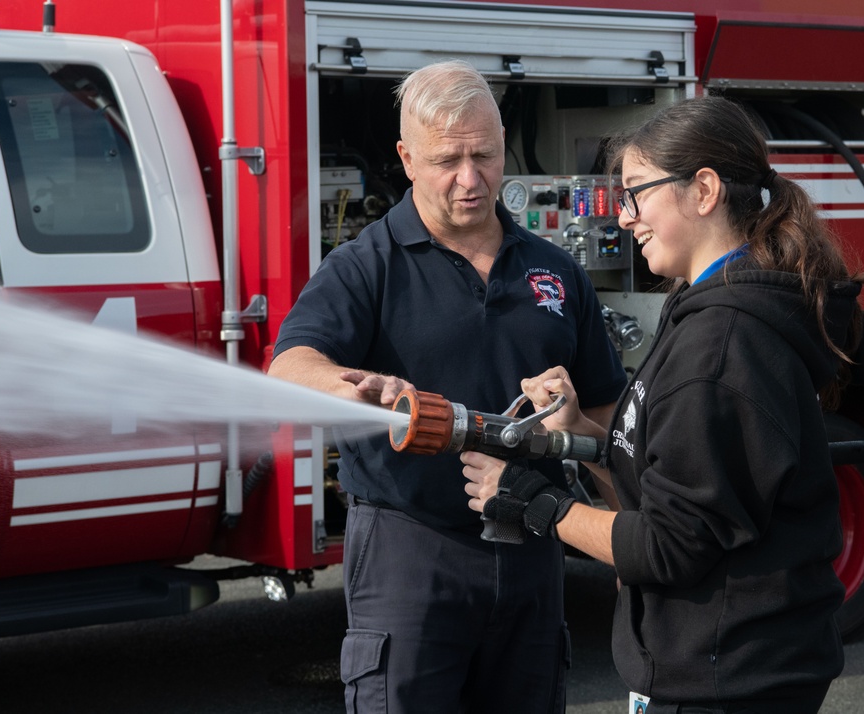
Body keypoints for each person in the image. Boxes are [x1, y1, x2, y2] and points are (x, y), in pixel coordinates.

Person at [462, 95, 864, 714]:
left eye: (635, 192)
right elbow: (670, 487)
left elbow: (668, 546)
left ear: (704, 189)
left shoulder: (721, 346)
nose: (625, 217)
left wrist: (532, 501)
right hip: (726, 670)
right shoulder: (708, 315)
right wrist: (582, 434)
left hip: (724, 681)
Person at [267, 59, 626, 713]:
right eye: (447, 160)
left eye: (485, 155)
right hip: (411, 553)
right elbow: (291, 365)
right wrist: (353, 394)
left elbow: (604, 412)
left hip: (534, 544)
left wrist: (634, 532)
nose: (471, 178)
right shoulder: (364, 267)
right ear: (406, 157)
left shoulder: (555, 272)